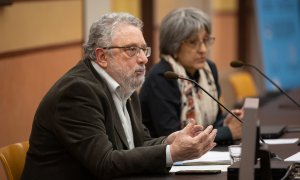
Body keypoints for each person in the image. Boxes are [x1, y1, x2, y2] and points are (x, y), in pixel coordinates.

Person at [21, 12, 217, 180]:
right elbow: (104, 163)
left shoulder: (125, 85)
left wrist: (169, 142)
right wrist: (171, 153)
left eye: (143, 49)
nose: (143, 59)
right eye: (131, 50)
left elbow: (137, 145)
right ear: (102, 57)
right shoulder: (78, 92)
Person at [139, 7, 243, 145]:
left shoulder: (209, 70)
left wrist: (227, 120)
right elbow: (172, 136)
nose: (203, 49)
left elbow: (214, 120)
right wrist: (228, 132)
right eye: (193, 42)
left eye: (205, 40)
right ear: (173, 46)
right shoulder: (162, 77)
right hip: (165, 162)